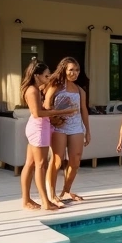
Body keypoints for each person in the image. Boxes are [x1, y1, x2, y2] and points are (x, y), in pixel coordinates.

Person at [19, 59, 77, 211]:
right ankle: (45, 201)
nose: (48, 77)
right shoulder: (32, 90)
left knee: (30, 164)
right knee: (40, 165)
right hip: (38, 129)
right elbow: (37, 113)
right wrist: (63, 111)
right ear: (37, 75)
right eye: (45, 75)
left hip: (40, 127)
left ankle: (26, 200)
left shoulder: (36, 88)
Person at [45, 58, 91, 203]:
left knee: (75, 160)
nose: (75, 73)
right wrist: (56, 115)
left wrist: (87, 130)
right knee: (57, 161)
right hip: (59, 126)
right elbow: (46, 105)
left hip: (76, 126)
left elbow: (84, 111)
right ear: (64, 70)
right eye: (71, 70)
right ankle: (51, 194)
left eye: (77, 70)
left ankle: (66, 190)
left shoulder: (80, 90)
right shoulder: (55, 86)